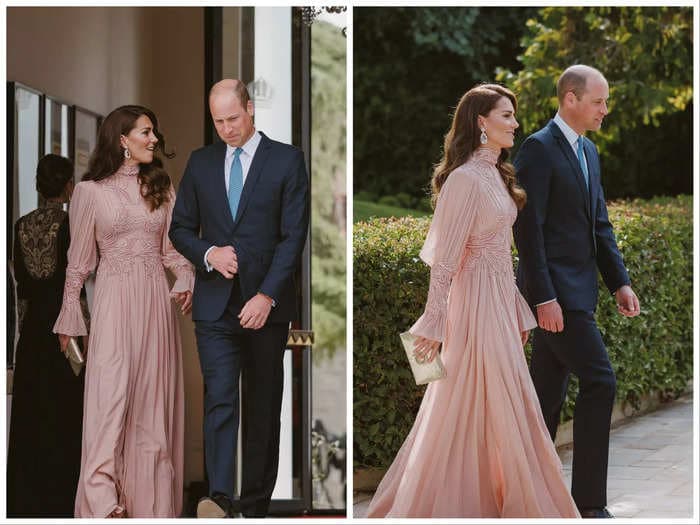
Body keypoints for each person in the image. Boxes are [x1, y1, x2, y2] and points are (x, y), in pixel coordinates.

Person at [365, 84, 579, 518]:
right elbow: (445, 260)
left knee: (505, 398)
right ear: (481, 122)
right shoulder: (463, 179)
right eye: (506, 116)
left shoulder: (496, 174)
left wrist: (517, 310)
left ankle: (495, 496)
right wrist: (433, 319)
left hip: (499, 302)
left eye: (513, 115)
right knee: (468, 399)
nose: (515, 123)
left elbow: (503, 253)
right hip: (473, 307)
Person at [169, 79, 309, 518]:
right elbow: (180, 229)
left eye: (233, 118)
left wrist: (266, 295)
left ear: (250, 108)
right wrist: (209, 253)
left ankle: (254, 506)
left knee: (263, 406)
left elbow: (293, 238)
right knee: (220, 400)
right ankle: (222, 498)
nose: (226, 129)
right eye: (218, 121)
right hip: (214, 306)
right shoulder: (201, 162)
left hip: (265, 307)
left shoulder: (287, 160)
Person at [53, 105, 194, 518]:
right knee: (109, 402)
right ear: (122, 139)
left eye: (154, 132)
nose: (154, 139)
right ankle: (102, 505)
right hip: (114, 303)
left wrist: (185, 276)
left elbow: (173, 251)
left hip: (154, 303)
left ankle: (150, 509)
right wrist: (70, 319)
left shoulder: (162, 187)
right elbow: (78, 265)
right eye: (146, 132)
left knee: (151, 411)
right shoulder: (89, 193)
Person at [513, 65, 640, 519]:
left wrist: (619, 281)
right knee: (601, 380)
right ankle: (588, 502)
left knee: (544, 402)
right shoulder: (538, 149)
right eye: (598, 101)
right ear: (571, 98)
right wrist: (543, 298)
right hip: (556, 299)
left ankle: (524, 496)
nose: (605, 109)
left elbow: (599, 225)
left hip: (580, 293)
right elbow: (529, 231)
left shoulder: (589, 151)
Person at [7, 154, 86, 517]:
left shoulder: (20, 226)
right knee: (65, 413)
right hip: (66, 332)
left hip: (34, 331)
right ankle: (62, 502)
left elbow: (20, 287)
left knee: (32, 415)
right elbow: (78, 285)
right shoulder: (73, 224)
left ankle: (25, 504)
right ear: (68, 185)